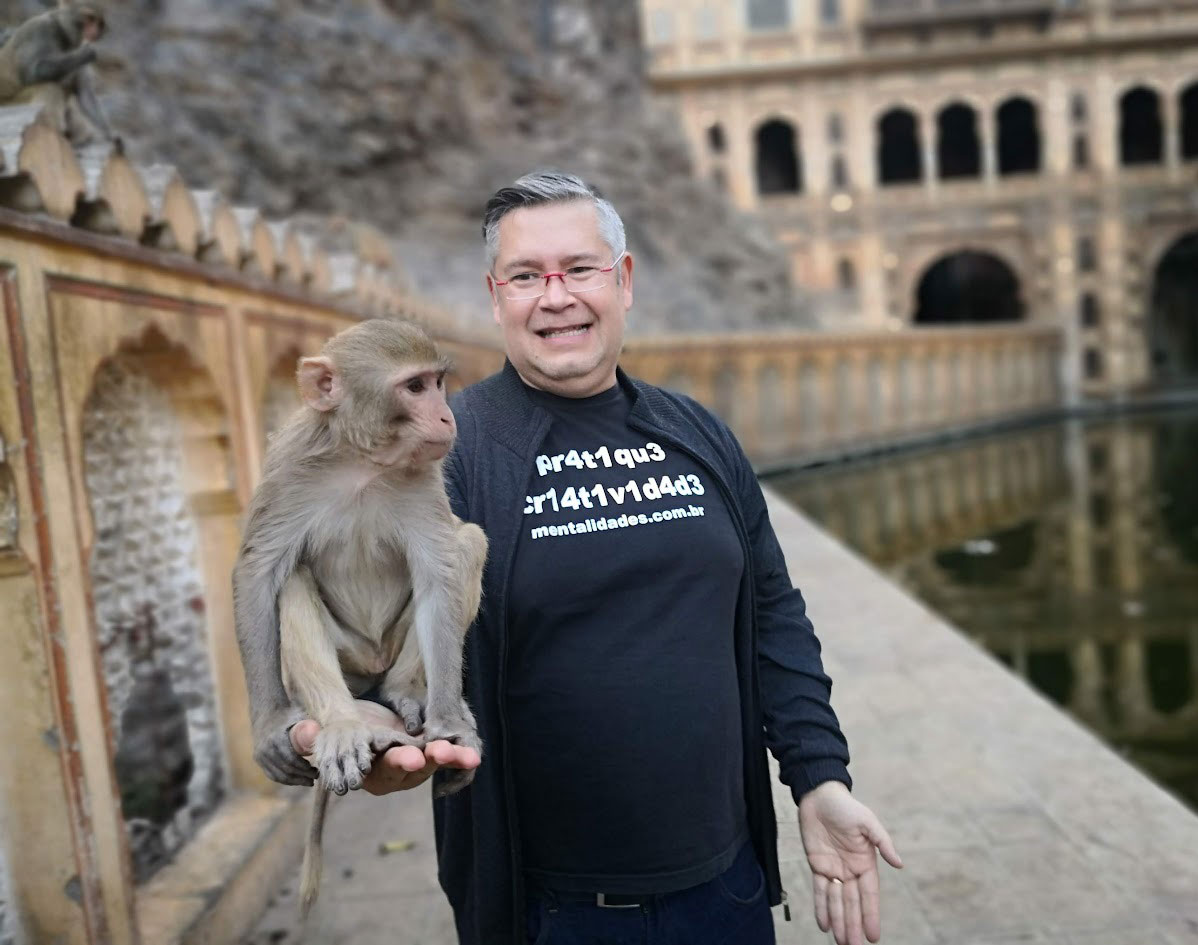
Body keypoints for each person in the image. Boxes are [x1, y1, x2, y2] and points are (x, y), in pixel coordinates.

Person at [286, 171, 901, 945]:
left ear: (624, 280)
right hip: (552, 910)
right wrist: (364, 732)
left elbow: (772, 612)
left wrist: (819, 777)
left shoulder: (696, 432)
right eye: (525, 276)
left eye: (579, 269)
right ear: (496, 295)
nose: (555, 296)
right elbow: (347, 640)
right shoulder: (444, 458)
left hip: (728, 888)